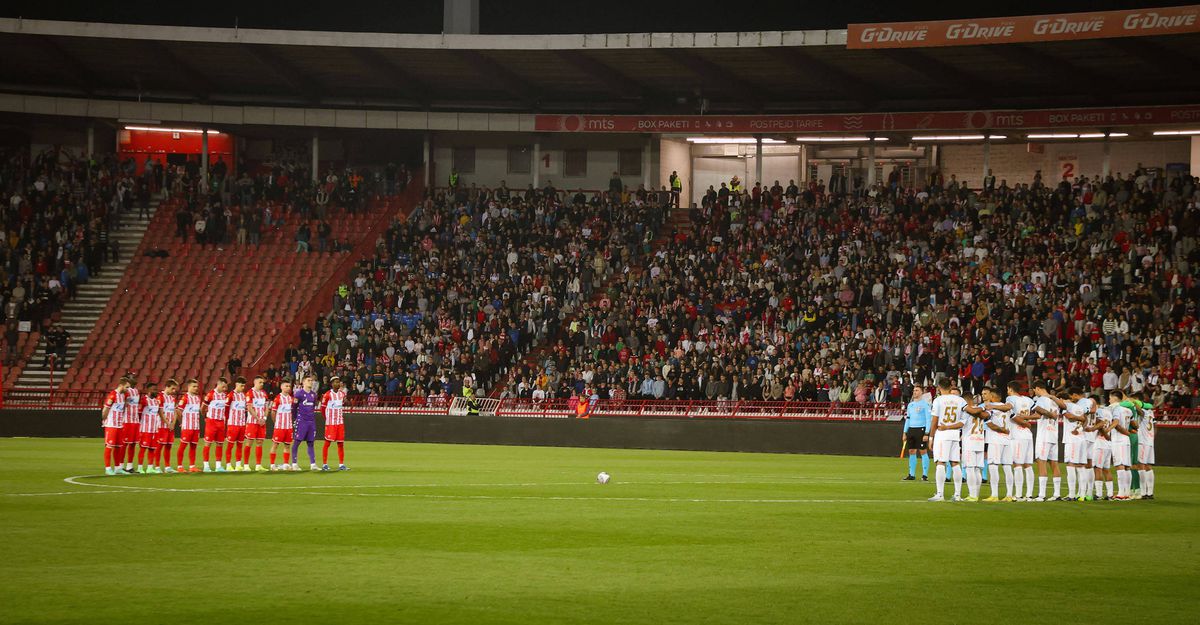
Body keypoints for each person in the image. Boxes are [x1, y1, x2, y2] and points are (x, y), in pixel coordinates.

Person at [928, 378, 966, 502]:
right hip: (955, 434)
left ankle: (940, 494)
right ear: (951, 386)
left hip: (942, 434)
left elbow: (934, 420)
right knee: (955, 463)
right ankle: (958, 494)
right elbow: (963, 422)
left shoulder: (938, 400)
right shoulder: (960, 400)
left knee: (941, 462)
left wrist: (931, 437)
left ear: (939, 387)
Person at [978, 387, 1014, 501]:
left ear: (992, 397)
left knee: (993, 466)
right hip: (1007, 440)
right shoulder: (1006, 408)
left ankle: (994, 495)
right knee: (1007, 467)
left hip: (995, 440)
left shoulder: (991, 408)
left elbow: (990, 424)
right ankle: (1009, 495)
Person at [1004, 383, 1037, 501]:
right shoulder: (1028, 400)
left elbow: (1009, 410)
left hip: (1017, 435)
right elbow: (1037, 413)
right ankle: (1029, 494)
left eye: (1007, 389)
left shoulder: (1011, 398)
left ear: (1010, 389)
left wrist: (1022, 421)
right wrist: (1027, 420)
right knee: (1028, 465)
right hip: (1028, 435)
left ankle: (1018, 495)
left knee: (1017, 464)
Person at [1030, 383, 1062, 501]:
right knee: (1054, 463)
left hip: (1044, 435)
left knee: (1041, 462)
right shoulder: (1054, 400)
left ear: (1038, 388)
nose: (1035, 393)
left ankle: (1042, 495)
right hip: (1054, 434)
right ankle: (1057, 494)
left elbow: (1037, 410)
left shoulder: (1042, 399)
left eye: (1035, 391)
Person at [961, 394, 989, 501]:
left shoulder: (966, 411)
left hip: (969, 442)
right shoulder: (981, 412)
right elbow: (985, 415)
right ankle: (976, 494)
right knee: (977, 469)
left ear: (965, 400)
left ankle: (972, 495)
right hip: (980, 441)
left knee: (970, 469)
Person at [101, 377, 131, 476]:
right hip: (111, 425)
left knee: (118, 447)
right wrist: (104, 420)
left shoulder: (124, 395)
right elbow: (105, 409)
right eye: (127, 387)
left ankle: (118, 468)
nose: (128, 389)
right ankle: (108, 468)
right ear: (121, 385)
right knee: (109, 446)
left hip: (119, 425)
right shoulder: (112, 395)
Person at [319, 376, 349, 471]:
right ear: (332, 384)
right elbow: (322, 409)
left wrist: (346, 402)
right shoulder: (327, 395)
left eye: (339, 382)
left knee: (340, 443)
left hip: (340, 422)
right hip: (331, 423)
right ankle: (324, 464)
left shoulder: (342, 394)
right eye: (336, 382)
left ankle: (341, 464)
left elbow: (344, 404)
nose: (338, 384)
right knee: (327, 443)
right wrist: (327, 418)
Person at [1109, 391, 1135, 500]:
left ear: (1115, 398)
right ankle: (1127, 493)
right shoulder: (1128, 410)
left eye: (1110, 398)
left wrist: (1125, 432)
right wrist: (1130, 432)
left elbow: (1117, 424)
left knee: (1119, 465)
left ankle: (1120, 493)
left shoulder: (1114, 408)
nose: (1109, 400)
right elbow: (1135, 424)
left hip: (1118, 439)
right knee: (1127, 466)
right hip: (1126, 441)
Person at [1130, 394, 1156, 499]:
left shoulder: (1144, 411)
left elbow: (1140, 411)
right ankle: (1150, 492)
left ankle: (1144, 492)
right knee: (1148, 466)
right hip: (1150, 441)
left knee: (1141, 465)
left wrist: (1134, 403)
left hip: (1143, 441)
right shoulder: (1151, 412)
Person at [201, 378, 230, 472]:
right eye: (223, 386)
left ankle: (218, 466)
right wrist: (206, 417)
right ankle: (206, 466)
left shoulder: (224, 396)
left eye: (225, 387)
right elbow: (202, 408)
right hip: (211, 421)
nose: (225, 388)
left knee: (220, 444)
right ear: (218, 384)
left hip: (221, 422)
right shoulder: (210, 395)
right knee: (208, 443)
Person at [291, 376, 319, 471]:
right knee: (297, 442)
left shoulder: (313, 395)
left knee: (311, 443)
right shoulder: (298, 394)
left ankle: (313, 464)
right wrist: (296, 419)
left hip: (311, 422)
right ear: (303, 382)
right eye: (308, 380)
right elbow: (293, 408)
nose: (311, 382)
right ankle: (294, 464)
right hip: (302, 421)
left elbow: (313, 407)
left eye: (311, 380)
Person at [902, 388, 930, 481]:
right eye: (914, 390)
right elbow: (908, 419)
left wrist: (926, 433)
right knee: (911, 451)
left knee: (923, 451)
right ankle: (911, 474)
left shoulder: (925, 404)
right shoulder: (910, 405)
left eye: (917, 390)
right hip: (911, 429)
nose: (915, 392)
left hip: (921, 429)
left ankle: (925, 475)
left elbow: (928, 419)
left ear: (922, 392)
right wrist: (905, 432)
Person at [243, 375, 270, 472]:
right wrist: (258, 418)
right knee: (249, 442)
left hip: (262, 422)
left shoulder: (264, 394)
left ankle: (258, 465)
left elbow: (267, 407)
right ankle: (246, 465)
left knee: (259, 443)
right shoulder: (249, 393)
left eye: (263, 382)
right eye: (260, 382)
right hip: (252, 422)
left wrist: (265, 418)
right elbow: (249, 408)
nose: (262, 384)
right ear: (255, 383)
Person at [134, 382, 162, 474]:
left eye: (156, 389)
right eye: (154, 389)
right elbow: (138, 414)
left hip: (154, 429)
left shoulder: (156, 401)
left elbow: (159, 413)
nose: (156, 391)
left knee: (152, 448)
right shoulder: (143, 400)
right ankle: (140, 467)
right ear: (148, 390)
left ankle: (150, 467)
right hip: (145, 429)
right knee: (143, 448)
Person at [176, 379, 203, 473]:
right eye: (194, 386)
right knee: (183, 446)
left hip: (196, 427)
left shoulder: (197, 398)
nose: (196, 388)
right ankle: (179, 466)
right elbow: (178, 410)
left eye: (197, 386)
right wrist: (182, 422)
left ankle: (192, 466)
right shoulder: (185, 398)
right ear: (188, 387)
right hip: (187, 426)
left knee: (193, 446)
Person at [269, 379, 296, 471]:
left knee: (287, 445)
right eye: (286, 386)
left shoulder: (291, 399)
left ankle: (285, 464)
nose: (288, 388)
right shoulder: (278, 398)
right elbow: (273, 412)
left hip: (288, 427)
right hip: (279, 426)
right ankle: (272, 465)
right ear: (281, 387)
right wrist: (276, 423)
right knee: (275, 445)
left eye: (289, 386)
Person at [224, 377, 249, 472]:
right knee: (230, 445)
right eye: (241, 385)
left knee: (240, 445)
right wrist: (228, 421)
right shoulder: (230, 395)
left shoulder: (244, 396)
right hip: (233, 424)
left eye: (244, 386)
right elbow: (226, 410)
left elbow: (245, 410)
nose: (243, 387)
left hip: (242, 424)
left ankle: (238, 465)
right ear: (236, 384)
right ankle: (228, 465)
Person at [157, 379, 179, 474]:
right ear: (167, 387)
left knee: (168, 446)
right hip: (161, 426)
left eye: (175, 389)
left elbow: (175, 411)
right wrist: (167, 423)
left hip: (170, 426)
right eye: (172, 389)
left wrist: (173, 423)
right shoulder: (160, 397)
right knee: (159, 446)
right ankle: (157, 467)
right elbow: (160, 412)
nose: (174, 391)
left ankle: (167, 466)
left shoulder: (172, 398)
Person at [120, 377, 141, 474]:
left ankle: (130, 466)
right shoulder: (125, 391)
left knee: (133, 444)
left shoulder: (136, 391)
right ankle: (120, 466)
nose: (134, 379)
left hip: (135, 421)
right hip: (126, 420)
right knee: (124, 444)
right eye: (132, 378)